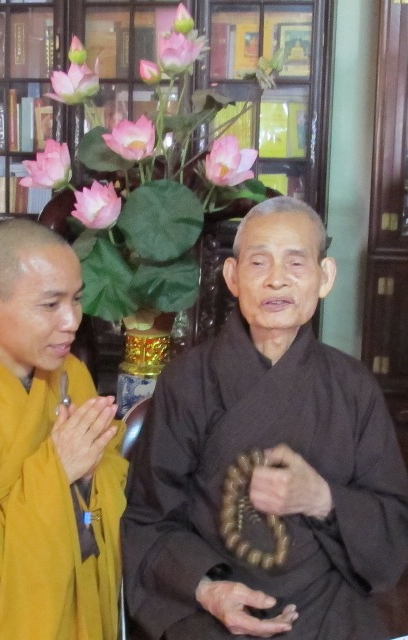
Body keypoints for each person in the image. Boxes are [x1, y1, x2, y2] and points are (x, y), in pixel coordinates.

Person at [122, 196, 408, 640]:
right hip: (214, 610)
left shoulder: (353, 388)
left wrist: (323, 499)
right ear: (233, 277)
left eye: (296, 263)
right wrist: (206, 589)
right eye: (259, 263)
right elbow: (147, 518)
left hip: (327, 608)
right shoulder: (188, 381)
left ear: (324, 277)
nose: (276, 279)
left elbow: (393, 526)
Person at [0, 218, 128, 639]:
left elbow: (107, 486)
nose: (71, 320)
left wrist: (91, 476)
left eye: (76, 299)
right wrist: (56, 472)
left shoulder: (72, 374)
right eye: (50, 305)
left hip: (81, 610)